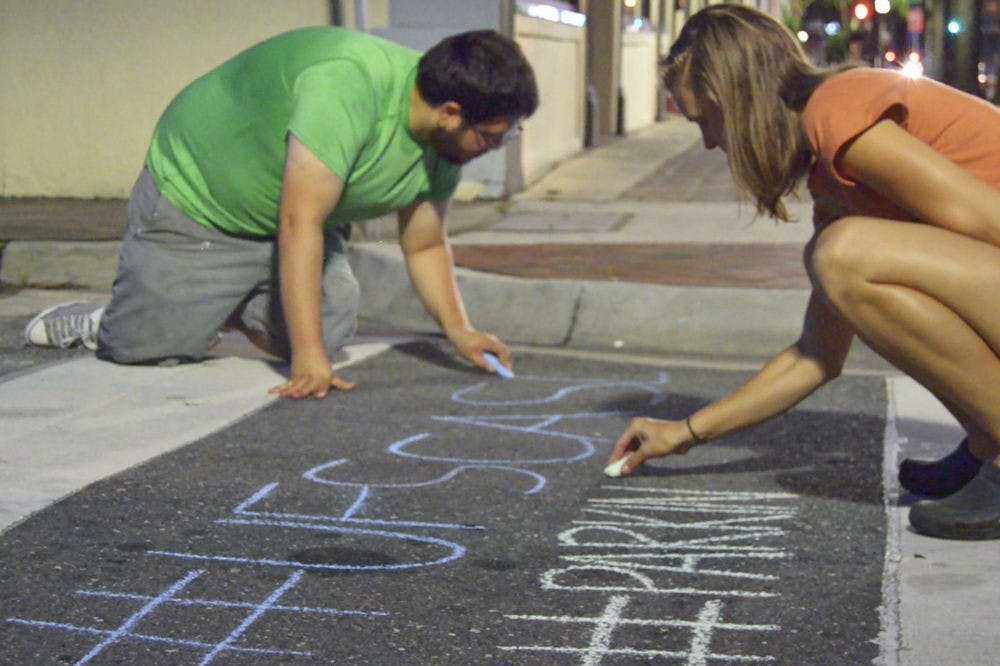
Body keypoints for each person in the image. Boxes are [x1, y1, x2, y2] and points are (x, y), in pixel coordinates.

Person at [606, 5, 1000, 541]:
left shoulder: (838, 107)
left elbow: (986, 218)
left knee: (841, 254)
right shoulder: (833, 178)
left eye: (706, 121)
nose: (709, 144)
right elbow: (816, 356)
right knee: (838, 256)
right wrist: (684, 432)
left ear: (740, 102)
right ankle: (986, 441)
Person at [24, 27, 538, 399]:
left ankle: (207, 300)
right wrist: (305, 359)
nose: (496, 147)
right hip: (203, 197)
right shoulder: (347, 86)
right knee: (145, 347)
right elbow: (300, 224)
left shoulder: (447, 145)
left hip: (290, 218)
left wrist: (460, 330)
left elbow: (423, 243)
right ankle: (108, 321)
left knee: (330, 329)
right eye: (493, 135)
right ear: (450, 111)